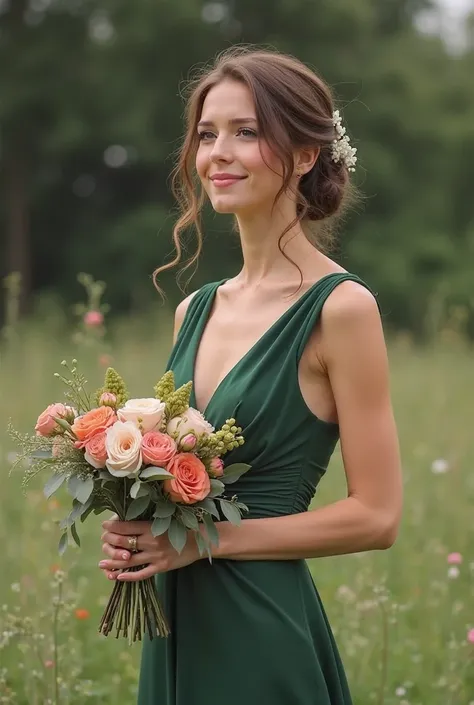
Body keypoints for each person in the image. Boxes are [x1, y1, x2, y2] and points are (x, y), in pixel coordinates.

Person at [98, 46, 403, 704]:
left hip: (262, 627)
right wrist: (136, 518)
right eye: (208, 135)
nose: (219, 153)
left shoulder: (342, 310)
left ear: (303, 154)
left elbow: (377, 517)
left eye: (247, 131)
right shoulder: (194, 309)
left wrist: (203, 540)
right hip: (175, 622)